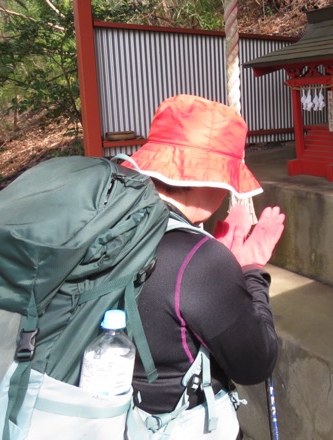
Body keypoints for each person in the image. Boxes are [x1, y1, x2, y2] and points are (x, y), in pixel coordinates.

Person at [123, 94, 284, 437]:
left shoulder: (112, 223)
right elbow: (257, 362)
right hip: (176, 423)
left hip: (114, 413)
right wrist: (251, 271)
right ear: (206, 178)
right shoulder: (198, 261)